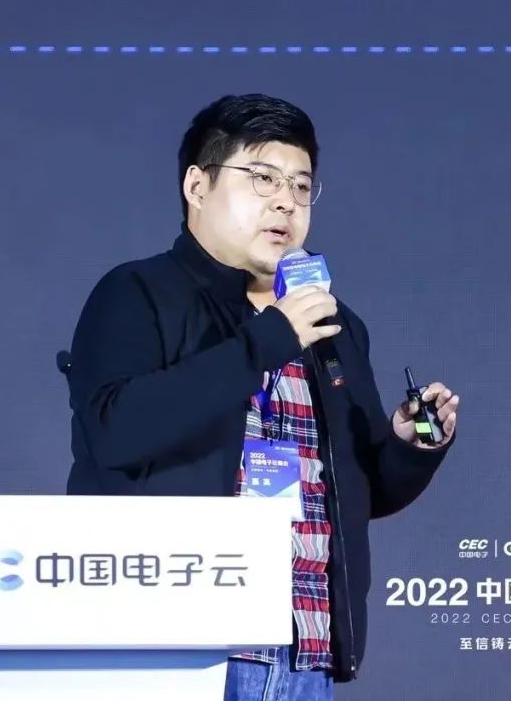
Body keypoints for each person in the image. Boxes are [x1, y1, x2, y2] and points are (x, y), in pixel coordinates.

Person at [64, 93, 459, 700]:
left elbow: (360, 493)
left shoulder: (333, 324)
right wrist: (267, 341)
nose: (285, 202)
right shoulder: (137, 292)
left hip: (303, 650)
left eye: (301, 186)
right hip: (174, 653)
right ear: (198, 186)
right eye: (262, 178)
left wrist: (410, 446)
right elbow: (115, 433)